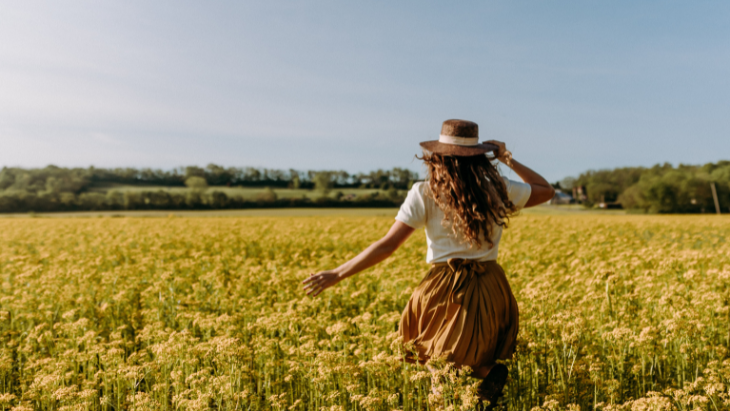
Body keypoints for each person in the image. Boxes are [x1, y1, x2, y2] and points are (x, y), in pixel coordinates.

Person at [302, 119, 555, 407]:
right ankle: (486, 376)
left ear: (437, 156)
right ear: (480, 157)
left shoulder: (425, 192)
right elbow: (545, 190)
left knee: (440, 367)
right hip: (490, 287)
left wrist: (337, 273)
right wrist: (506, 157)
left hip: (444, 291)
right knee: (471, 354)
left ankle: (480, 383)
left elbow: (387, 246)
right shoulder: (498, 188)